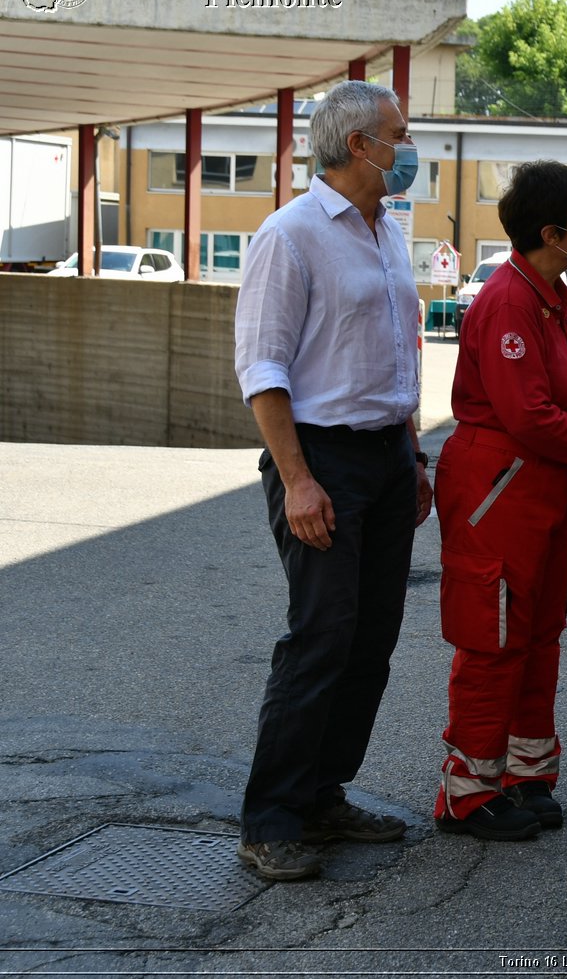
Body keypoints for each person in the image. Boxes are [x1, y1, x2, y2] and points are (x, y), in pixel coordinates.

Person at [232, 80, 433, 881]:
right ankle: (270, 817)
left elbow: (395, 351)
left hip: (385, 455)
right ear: (360, 145)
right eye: (401, 134)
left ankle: (322, 795)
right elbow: (263, 367)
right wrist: (298, 481)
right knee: (320, 637)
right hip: (318, 459)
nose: (410, 148)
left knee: (371, 638)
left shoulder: (386, 231)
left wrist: (412, 453)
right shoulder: (291, 234)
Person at [431, 161, 567, 840]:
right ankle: (467, 792)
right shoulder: (510, 298)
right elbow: (529, 414)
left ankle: (525, 773)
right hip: (501, 488)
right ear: (552, 231)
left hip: (544, 488)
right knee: (495, 635)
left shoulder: (553, 291)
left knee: (539, 633)